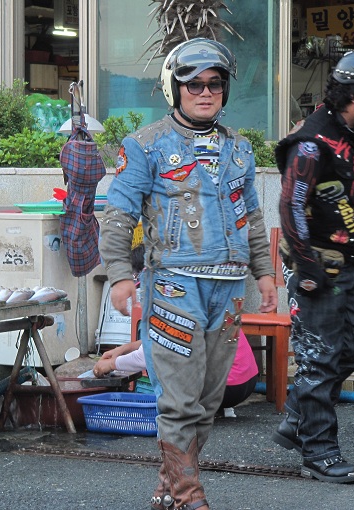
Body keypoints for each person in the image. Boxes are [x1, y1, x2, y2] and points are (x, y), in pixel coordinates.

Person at [99, 38, 277, 510]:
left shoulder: (239, 149)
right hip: (175, 287)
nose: (205, 92)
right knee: (179, 403)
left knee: (206, 402)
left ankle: (166, 488)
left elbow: (251, 218)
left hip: (230, 291)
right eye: (193, 84)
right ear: (173, 88)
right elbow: (118, 215)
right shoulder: (145, 146)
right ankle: (189, 497)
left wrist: (265, 273)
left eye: (214, 84)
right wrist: (120, 274)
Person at [273, 49, 354, 484]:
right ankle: (319, 452)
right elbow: (290, 206)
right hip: (317, 268)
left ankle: (296, 415)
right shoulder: (312, 140)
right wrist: (308, 270)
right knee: (320, 359)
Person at [93, 330, 259, 414]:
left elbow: (149, 355)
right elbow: (159, 338)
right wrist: (124, 348)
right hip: (247, 380)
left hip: (226, 388)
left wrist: (110, 365)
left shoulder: (174, 300)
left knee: (167, 360)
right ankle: (218, 409)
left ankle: (183, 413)